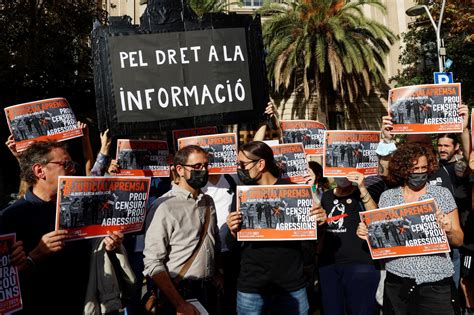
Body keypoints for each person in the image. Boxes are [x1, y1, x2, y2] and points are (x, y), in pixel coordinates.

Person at [0, 141, 123, 314]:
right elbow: (6, 284)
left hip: (85, 305)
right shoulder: (10, 218)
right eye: (65, 164)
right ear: (39, 171)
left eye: (72, 164)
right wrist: (36, 255)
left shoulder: (81, 206)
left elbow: (91, 253)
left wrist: (108, 245)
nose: (72, 169)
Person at [357, 143, 464, 314]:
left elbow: (459, 239)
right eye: (414, 169)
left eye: (423, 168)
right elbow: (383, 240)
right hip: (397, 284)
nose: (420, 173)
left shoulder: (442, 194)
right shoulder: (388, 197)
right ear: (404, 169)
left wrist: (449, 229)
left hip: (435, 284)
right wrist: (368, 233)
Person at [226, 141, 326, 315]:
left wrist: (320, 221)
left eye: (242, 164)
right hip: (252, 285)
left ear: (261, 164)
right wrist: (232, 231)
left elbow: (312, 237)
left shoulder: (295, 191)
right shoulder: (241, 195)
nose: (239, 169)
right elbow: (233, 244)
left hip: (291, 285)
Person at [143, 145, 221, 315]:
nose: (203, 170)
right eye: (197, 167)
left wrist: (217, 272)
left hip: (209, 290)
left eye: (206, 165)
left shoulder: (208, 202)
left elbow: (213, 243)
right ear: (180, 169)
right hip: (179, 291)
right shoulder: (164, 206)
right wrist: (179, 303)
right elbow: (153, 262)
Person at [318, 172, 380, 315]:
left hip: (360, 265)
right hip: (329, 265)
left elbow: (376, 219)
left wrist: (362, 188)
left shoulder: (363, 195)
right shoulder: (326, 196)